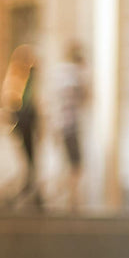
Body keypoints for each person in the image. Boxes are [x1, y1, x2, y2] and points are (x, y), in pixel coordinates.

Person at [1, 44, 43, 210]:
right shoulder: (16, 79)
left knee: (30, 160)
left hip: (28, 125)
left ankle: (32, 192)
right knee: (25, 161)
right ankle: (26, 192)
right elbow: (11, 103)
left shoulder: (29, 81)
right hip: (21, 124)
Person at [51, 41, 89, 212]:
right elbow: (83, 97)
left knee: (69, 163)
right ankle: (70, 199)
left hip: (61, 125)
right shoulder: (72, 75)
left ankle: (69, 197)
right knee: (75, 165)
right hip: (69, 126)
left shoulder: (60, 73)